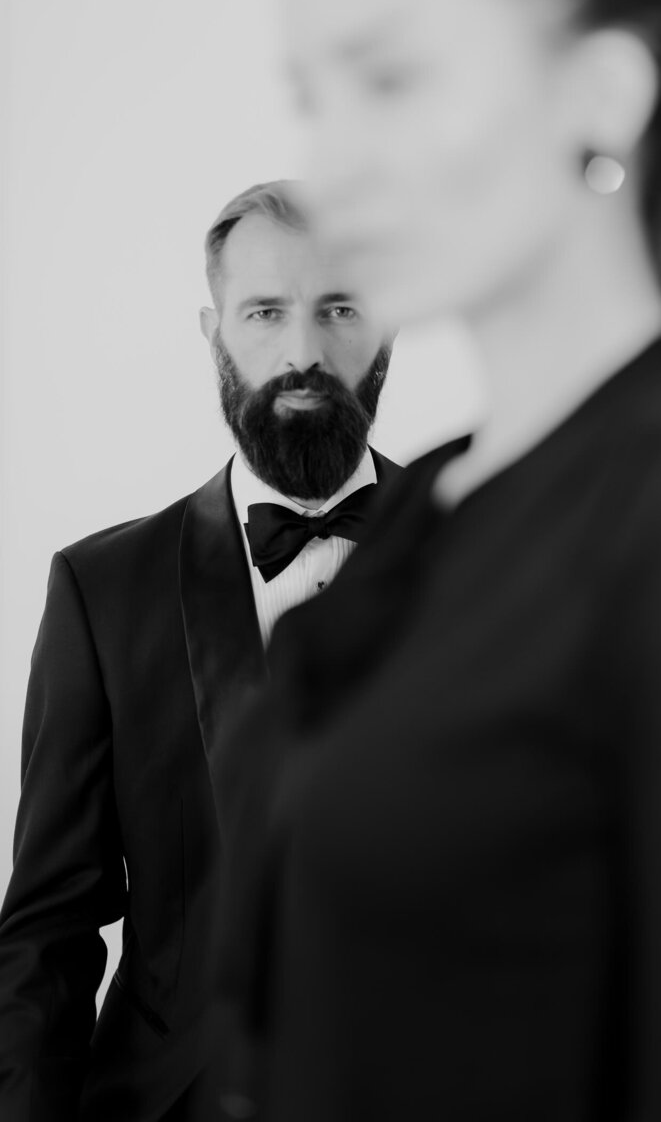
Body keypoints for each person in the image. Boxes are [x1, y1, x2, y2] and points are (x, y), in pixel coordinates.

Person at [220, 0, 661, 1120]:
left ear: (600, 89)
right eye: (310, 97)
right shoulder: (422, 512)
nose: (333, 165)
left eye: (389, 78)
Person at [0, 180, 399, 1122]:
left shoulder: (491, 553)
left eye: (338, 309)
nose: (303, 352)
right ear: (213, 332)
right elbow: (49, 931)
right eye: (265, 312)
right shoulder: (101, 591)